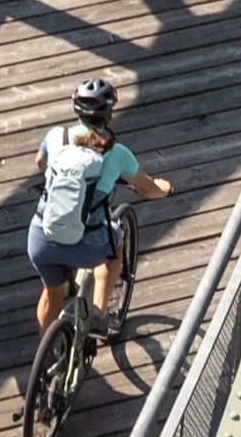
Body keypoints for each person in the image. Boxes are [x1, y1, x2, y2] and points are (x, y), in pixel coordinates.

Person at [25, 77, 172, 346]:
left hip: (40, 239)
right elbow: (148, 189)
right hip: (86, 245)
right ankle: (99, 316)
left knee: (51, 292)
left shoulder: (55, 136)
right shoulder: (118, 154)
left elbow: (40, 162)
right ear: (109, 113)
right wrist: (165, 187)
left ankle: (46, 360)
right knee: (115, 242)